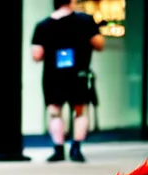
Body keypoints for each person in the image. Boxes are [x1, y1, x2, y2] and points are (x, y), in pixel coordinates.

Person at [30, 0, 103, 161]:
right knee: (80, 111)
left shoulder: (43, 26)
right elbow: (99, 44)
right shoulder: (85, 21)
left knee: (55, 112)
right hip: (79, 73)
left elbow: (36, 55)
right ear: (71, 1)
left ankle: (58, 149)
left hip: (53, 75)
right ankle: (76, 148)